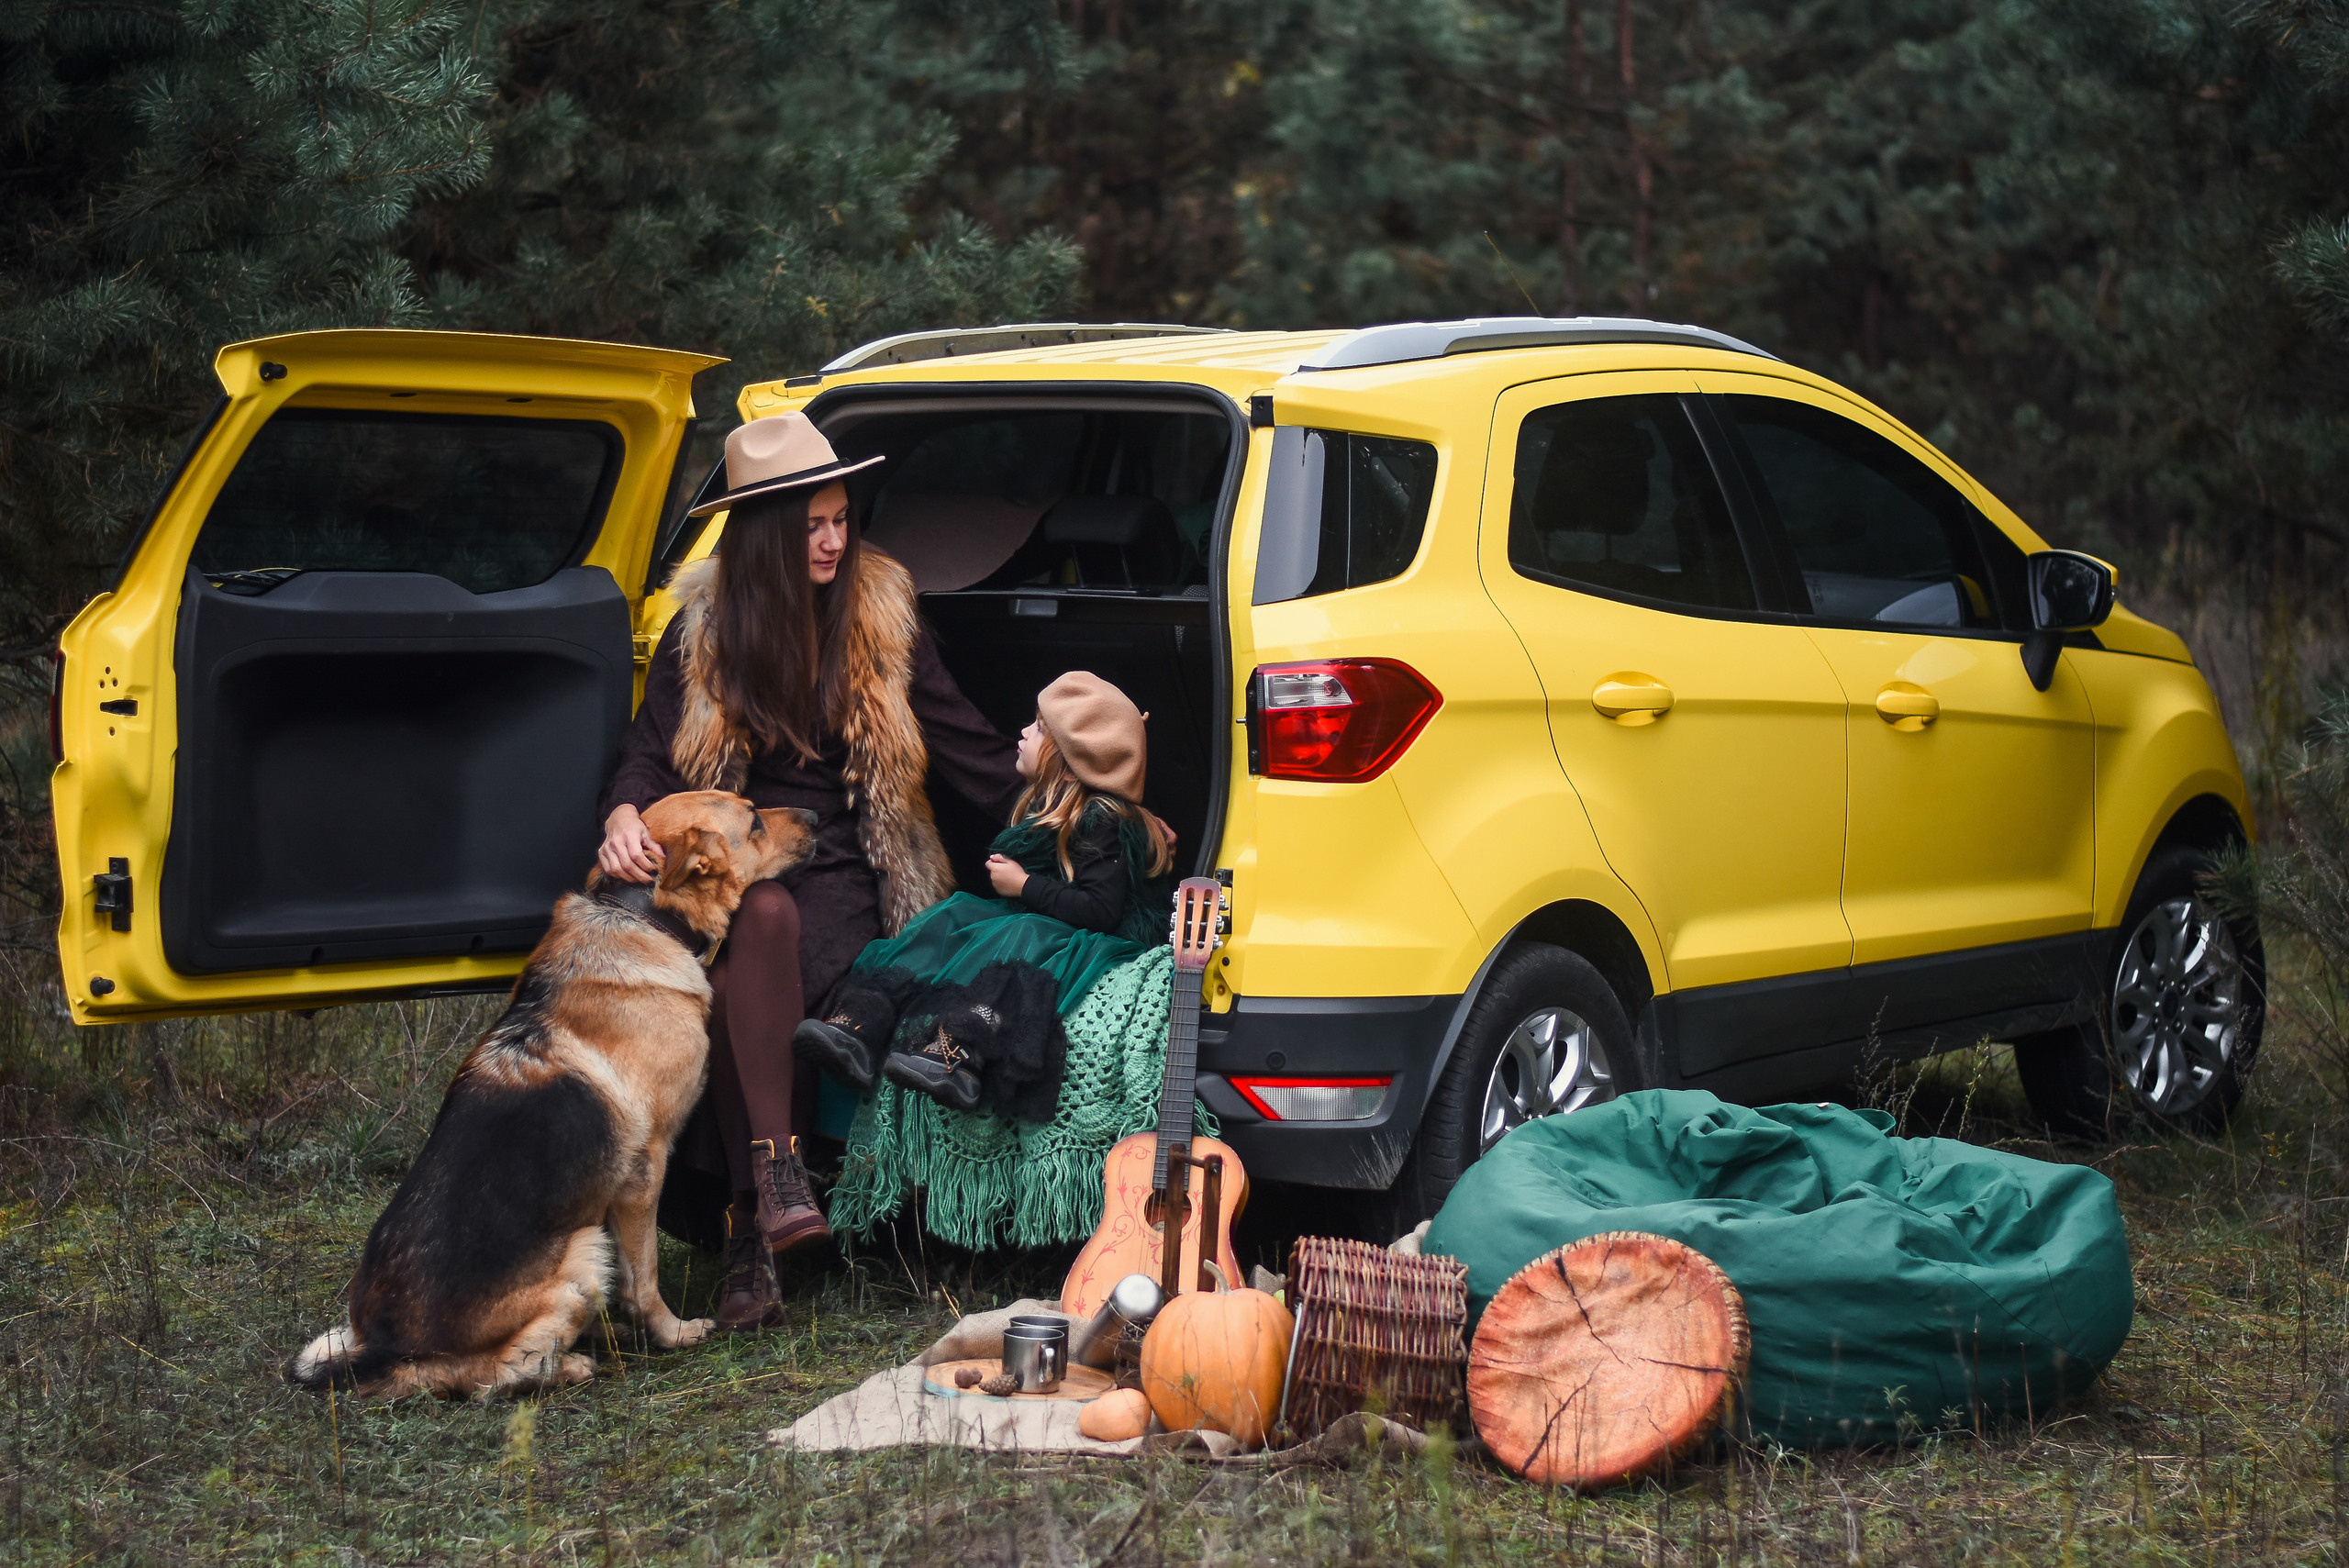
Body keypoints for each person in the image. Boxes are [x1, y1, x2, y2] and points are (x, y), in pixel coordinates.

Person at [596, 412, 1023, 1332]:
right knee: (756, 920)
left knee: (775, 922)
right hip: (736, 863)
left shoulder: (878, 610)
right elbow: (648, 752)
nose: (832, 540)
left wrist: (1061, 799)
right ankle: (772, 1198)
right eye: (809, 526)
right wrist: (624, 814)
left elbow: (963, 742)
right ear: (761, 538)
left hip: (847, 863)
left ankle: (756, 1224)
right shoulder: (705, 624)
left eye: (840, 519)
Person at [794, 672, 1174, 1118]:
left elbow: (1100, 911)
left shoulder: (1103, 821)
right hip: (1049, 924)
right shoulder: (1044, 807)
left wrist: (1025, 885)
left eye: (1037, 730)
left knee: (1021, 932)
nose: (1023, 733)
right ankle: (864, 1022)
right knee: (952, 915)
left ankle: (960, 1053)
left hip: (1095, 941)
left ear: (1070, 760)